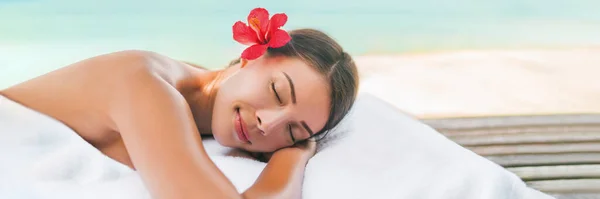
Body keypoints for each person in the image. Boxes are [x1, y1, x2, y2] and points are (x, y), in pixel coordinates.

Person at [0, 8, 359, 199]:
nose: (269, 123)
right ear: (251, 56)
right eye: (278, 92)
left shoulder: (197, 97)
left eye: (293, 130)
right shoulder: (145, 85)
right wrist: (293, 155)